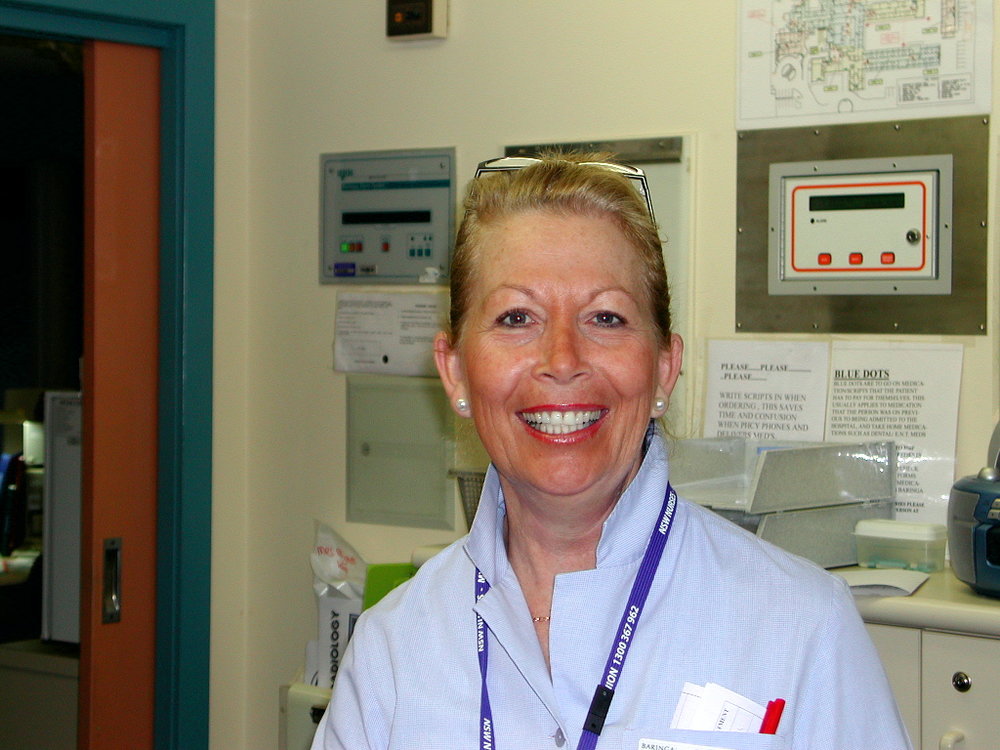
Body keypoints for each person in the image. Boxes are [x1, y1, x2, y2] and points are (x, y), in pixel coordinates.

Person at [311, 154, 912, 749]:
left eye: (606, 317)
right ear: (456, 372)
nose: (563, 360)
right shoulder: (394, 651)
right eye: (517, 317)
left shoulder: (803, 627)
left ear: (664, 369)